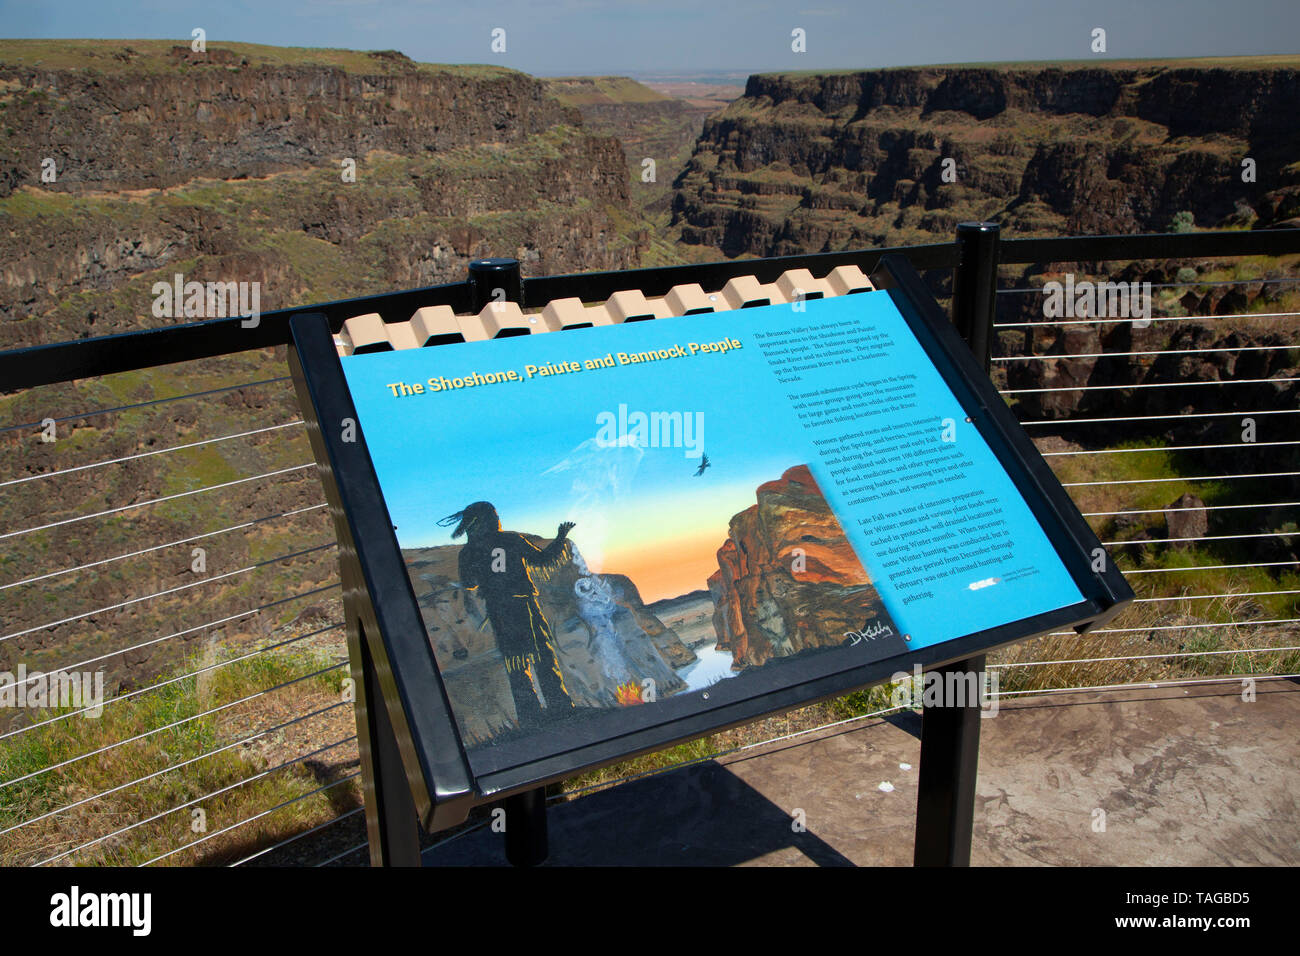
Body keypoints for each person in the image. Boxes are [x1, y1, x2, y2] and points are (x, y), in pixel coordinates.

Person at [439, 501, 576, 728]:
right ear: (492, 518)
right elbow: (542, 559)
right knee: (542, 654)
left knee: (516, 662)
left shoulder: (468, 552)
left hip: (500, 610)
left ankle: (530, 715)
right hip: (525, 605)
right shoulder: (510, 540)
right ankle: (559, 705)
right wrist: (560, 537)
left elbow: (469, 583)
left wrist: (486, 574)